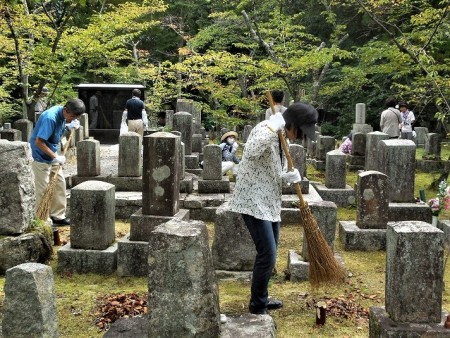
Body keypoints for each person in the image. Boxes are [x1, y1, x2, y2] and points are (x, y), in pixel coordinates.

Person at [229, 102, 318, 315]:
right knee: (267, 254)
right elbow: (250, 152)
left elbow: (266, 167)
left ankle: (262, 297)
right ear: (292, 124)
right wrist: (272, 127)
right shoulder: (265, 129)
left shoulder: (281, 138)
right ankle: (257, 306)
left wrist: (287, 177)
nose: (302, 137)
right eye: (301, 131)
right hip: (253, 201)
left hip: (269, 202)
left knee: (271, 251)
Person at [30, 98, 85, 225]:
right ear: (66, 110)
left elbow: (57, 133)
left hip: (51, 152)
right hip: (39, 155)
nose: (72, 119)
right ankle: (42, 219)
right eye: (71, 117)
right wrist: (56, 157)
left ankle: (58, 216)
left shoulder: (63, 115)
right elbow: (39, 142)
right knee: (42, 188)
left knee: (59, 183)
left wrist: (68, 127)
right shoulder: (50, 118)